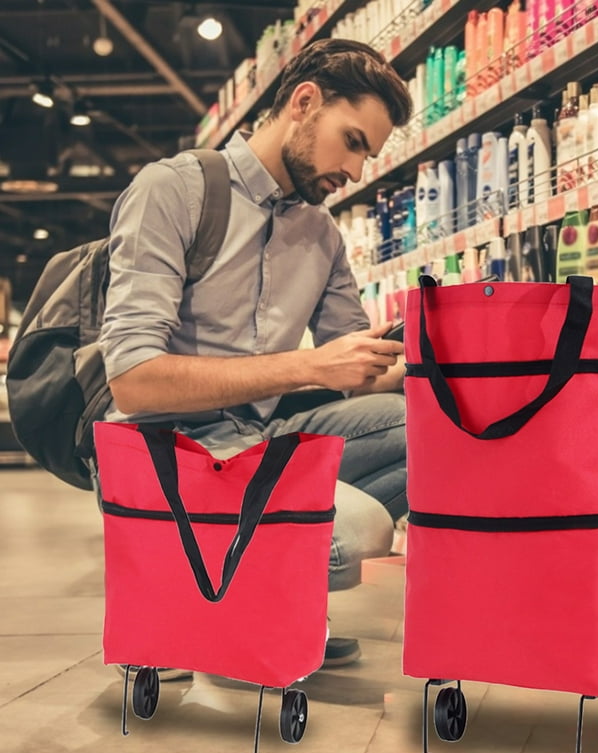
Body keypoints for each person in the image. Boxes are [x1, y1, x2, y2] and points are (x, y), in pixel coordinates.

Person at [98, 38, 413, 672]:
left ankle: (246, 600)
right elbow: (132, 379)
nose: (356, 171)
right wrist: (309, 366)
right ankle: (198, 604)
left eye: (368, 155)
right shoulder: (176, 189)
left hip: (256, 438)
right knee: (359, 534)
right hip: (168, 449)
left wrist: (455, 361)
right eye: (352, 142)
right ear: (304, 102)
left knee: (430, 430)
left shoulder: (321, 233)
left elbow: (360, 376)